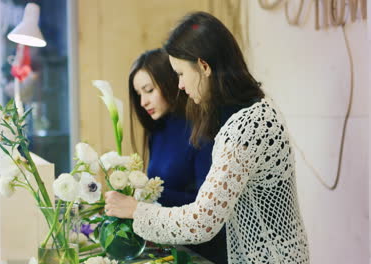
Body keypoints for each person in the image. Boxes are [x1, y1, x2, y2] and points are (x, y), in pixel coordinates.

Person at [105, 12, 310, 263]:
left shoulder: (247, 125)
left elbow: (203, 221)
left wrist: (136, 210)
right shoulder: (253, 110)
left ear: (204, 66)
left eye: (180, 73)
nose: (179, 85)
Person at [128, 48, 228, 263]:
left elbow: (209, 207)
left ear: (170, 82)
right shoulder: (158, 130)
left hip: (205, 252)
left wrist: (145, 200)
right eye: (139, 94)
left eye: (149, 90)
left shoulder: (202, 129)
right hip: (172, 245)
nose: (143, 102)